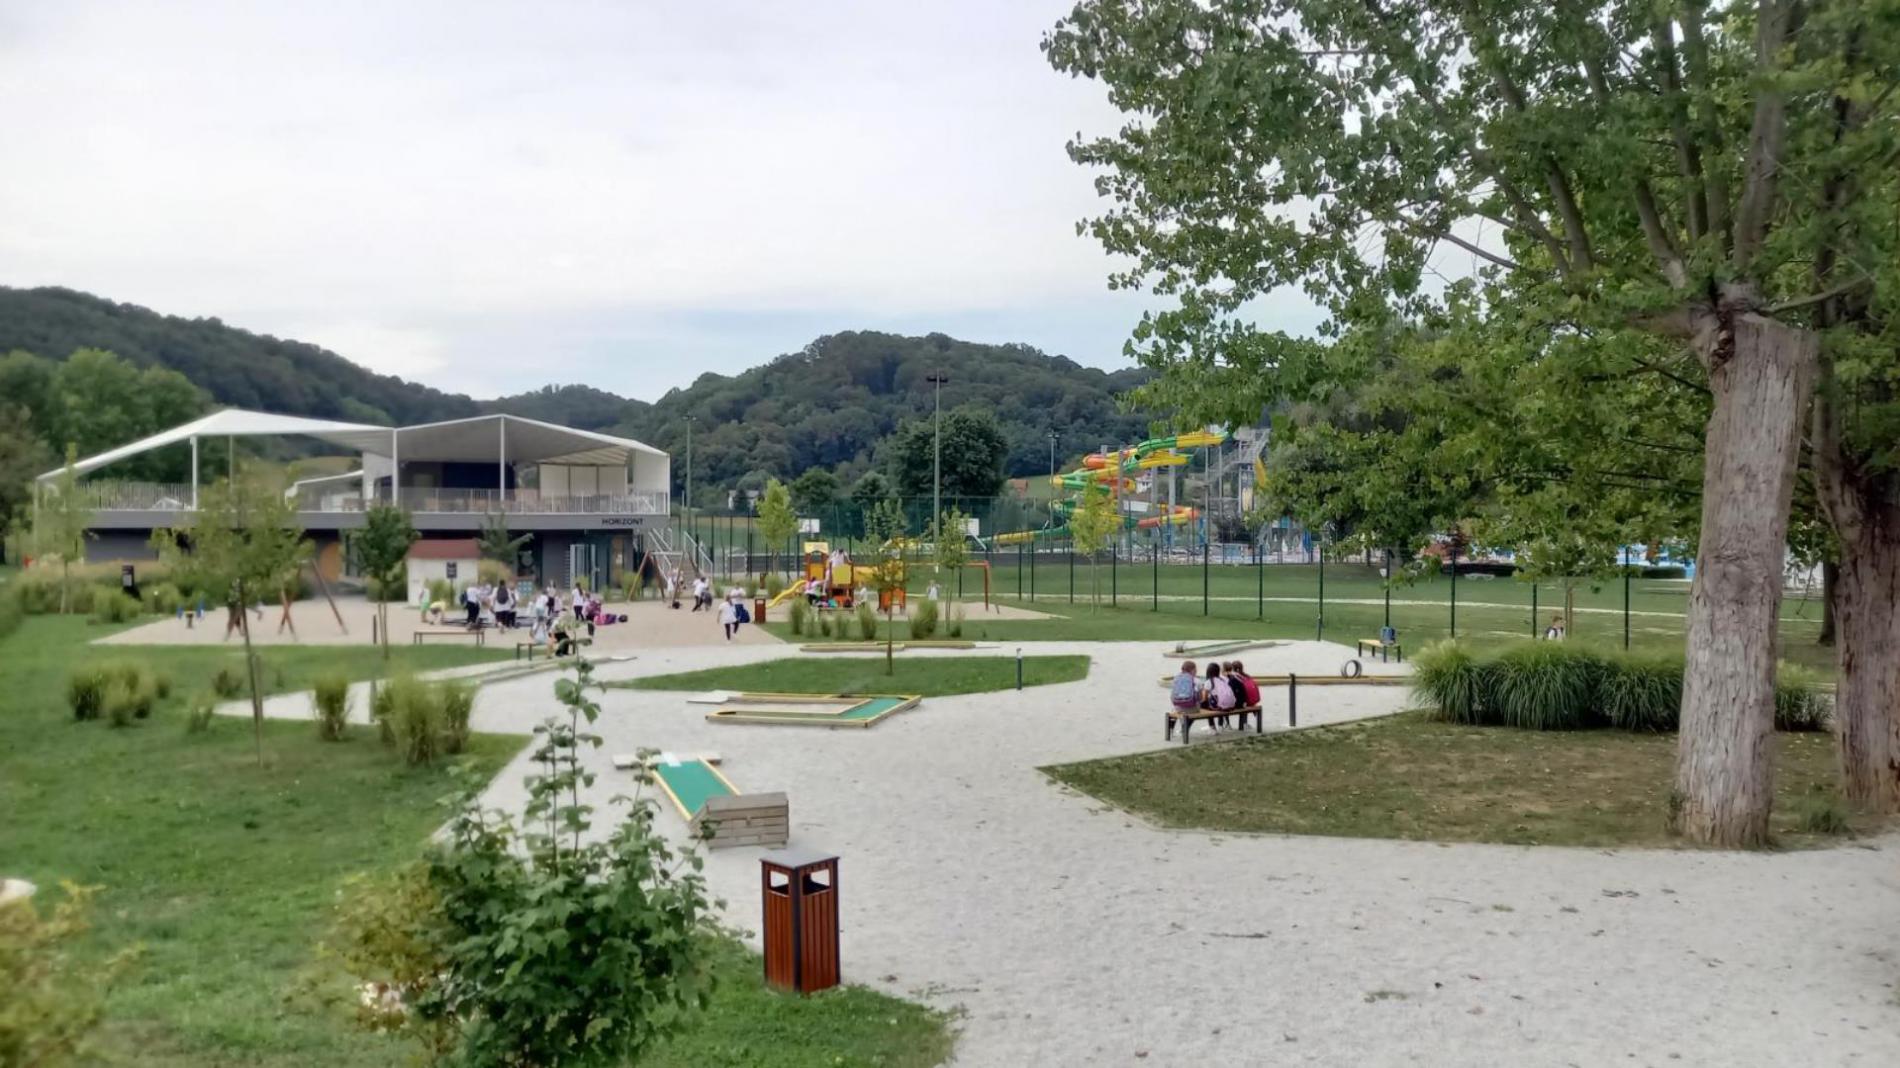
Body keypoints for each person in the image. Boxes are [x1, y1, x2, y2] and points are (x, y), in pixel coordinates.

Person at [1201, 662, 1237, 728]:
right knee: (1218, 701)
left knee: (1205, 705)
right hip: (1230, 705)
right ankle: (1220, 725)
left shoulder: (1208, 682)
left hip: (1219, 706)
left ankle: (1212, 727)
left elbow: (1204, 698)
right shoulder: (1223, 680)